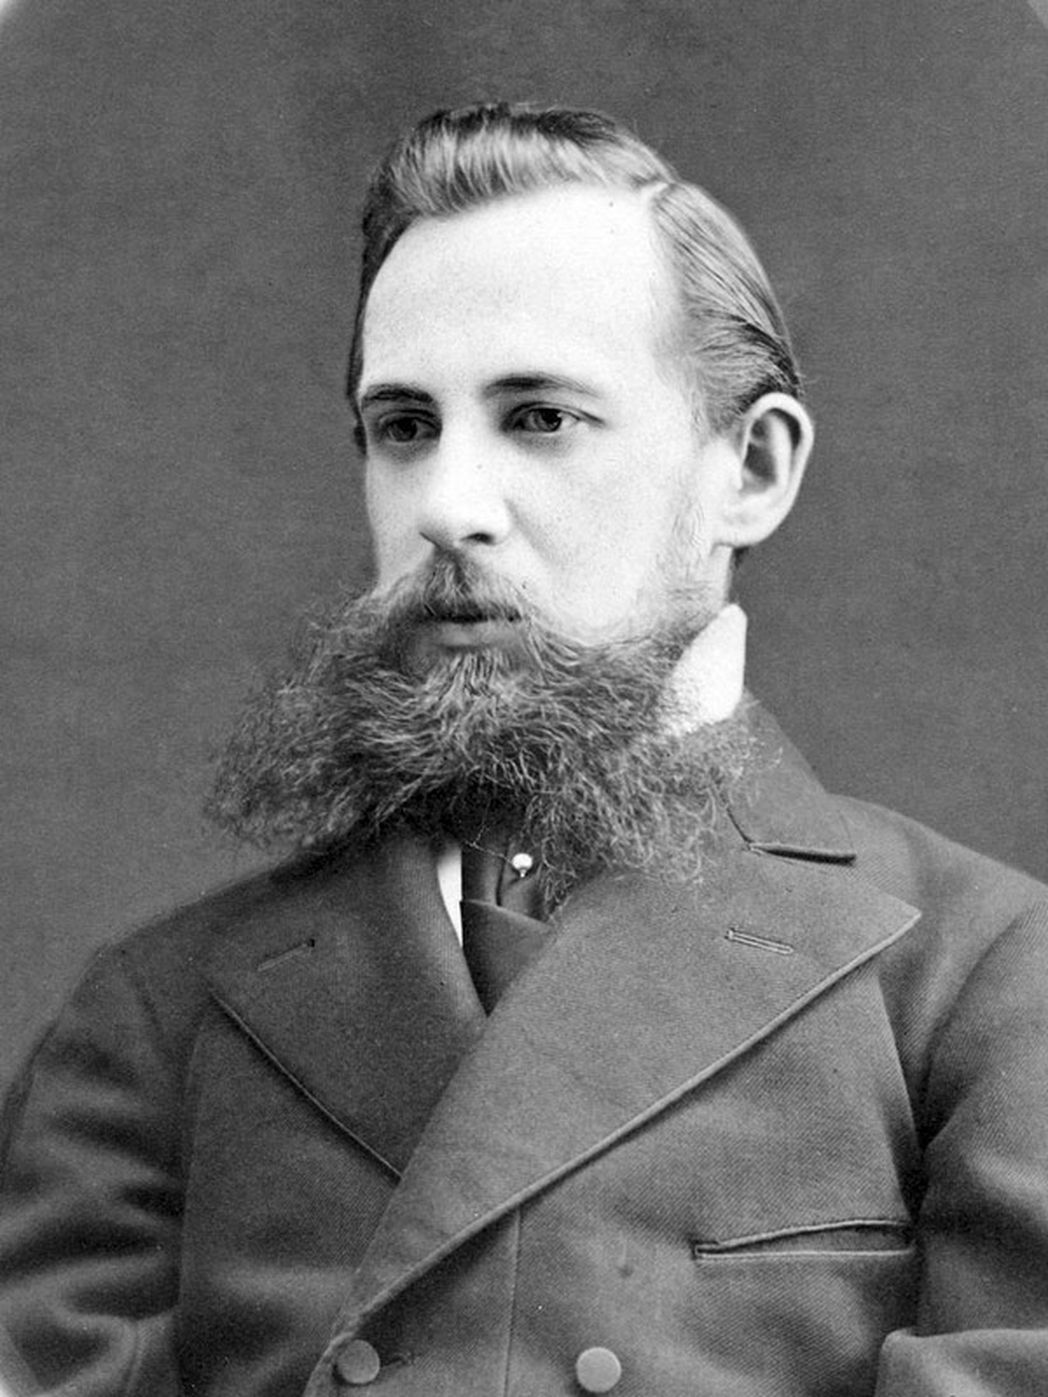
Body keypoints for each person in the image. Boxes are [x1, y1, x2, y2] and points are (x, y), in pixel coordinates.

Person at [2, 101, 1048, 1397]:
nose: (448, 506)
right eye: (405, 427)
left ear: (753, 469)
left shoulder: (984, 985)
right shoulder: (160, 1016)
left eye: (541, 417)